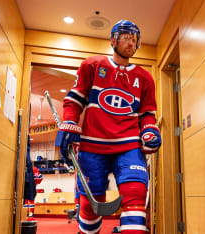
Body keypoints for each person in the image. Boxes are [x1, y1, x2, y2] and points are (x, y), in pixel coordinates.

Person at [56, 19, 161, 234]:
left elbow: (147, 115)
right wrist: (69, 122)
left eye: (134, 39)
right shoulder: (92, 65)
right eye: (126, 37)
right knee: (90, 201)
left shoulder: (145, 78)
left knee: (136, 191)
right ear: (113, 39)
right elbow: (74, 100)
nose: (131, 43)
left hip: (129, 145)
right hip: (93, 144)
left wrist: (150, 131)